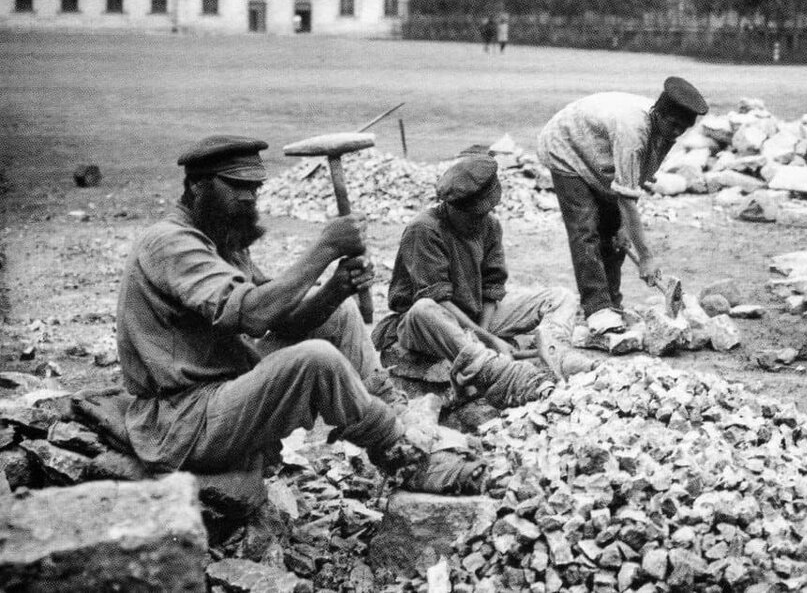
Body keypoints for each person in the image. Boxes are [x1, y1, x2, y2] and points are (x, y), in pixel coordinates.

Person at [115, 135, 482, 493]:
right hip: (182, 420)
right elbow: (255, 315)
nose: (248, 198)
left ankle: (392, 413)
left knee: (339, 315)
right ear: (197, 186)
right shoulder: (171, 243)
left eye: (255, 188)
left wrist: (336, 289)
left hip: (220, 391)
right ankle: (404, 460)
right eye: (236, 187)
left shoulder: (218, 238)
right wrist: (325, 247)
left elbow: (284, 318)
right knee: (315, 360)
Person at [373, 155, 586, 406]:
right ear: (453, 207)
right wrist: (490, 340)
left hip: (473, 318)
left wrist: (485, 334)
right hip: (426, 324)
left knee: (560, 296)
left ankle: (556, 353)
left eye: (487, 211)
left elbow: (491, 288)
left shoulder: (490, 225)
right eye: (474, 214)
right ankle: (492, 370)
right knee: (424, 309)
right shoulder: (424, 229)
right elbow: (436, 298)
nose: (482, 218)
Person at [537, 77, 708, 338]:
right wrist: (647, 257)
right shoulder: (633, 130)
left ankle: (613, 303)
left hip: (597, 155)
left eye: (682, 128)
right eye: (673, 124)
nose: (676, 131)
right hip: (565, 145)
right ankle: (597, 308)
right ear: (658, 114)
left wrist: (622, 228)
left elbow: (634, 181)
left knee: (614, 234)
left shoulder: (664, 133)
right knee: (585, 229)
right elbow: (626, 198)